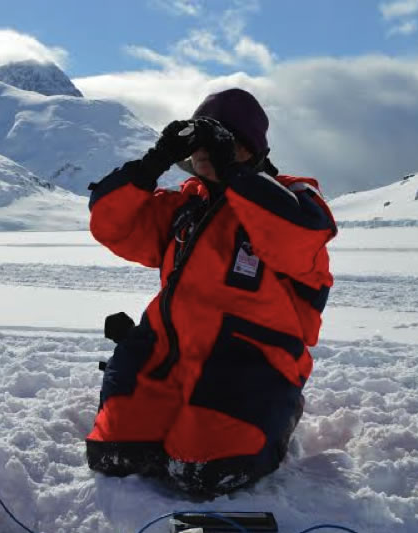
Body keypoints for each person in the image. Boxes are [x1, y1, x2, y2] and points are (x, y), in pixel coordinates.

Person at [85, 88, 337, 497]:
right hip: (170, 354)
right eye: (201, 145)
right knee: (115, 453)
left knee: (200, 471)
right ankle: (179, 409)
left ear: (250, 149)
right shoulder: (185, 205)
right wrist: (153, 163)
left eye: (225, 144)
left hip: (249, 361)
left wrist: (237, 177)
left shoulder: (294, 199)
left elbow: (297, 239)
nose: (207, 155)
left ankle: (281, 409)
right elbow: (112, 226)